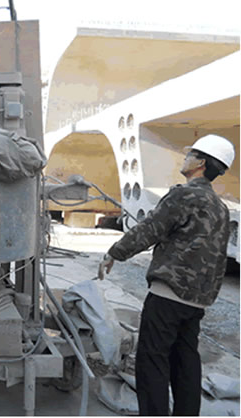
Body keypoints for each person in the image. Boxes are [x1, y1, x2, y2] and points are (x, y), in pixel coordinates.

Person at [97, 134, 235, 415]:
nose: (185, 159)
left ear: (200, 163)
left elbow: (150, 229)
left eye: (190, 155)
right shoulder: (219, 207)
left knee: (152, 360)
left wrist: (115, 253)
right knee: (185, 360)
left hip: (169, 294)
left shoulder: (184, 195)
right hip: (197, 300)